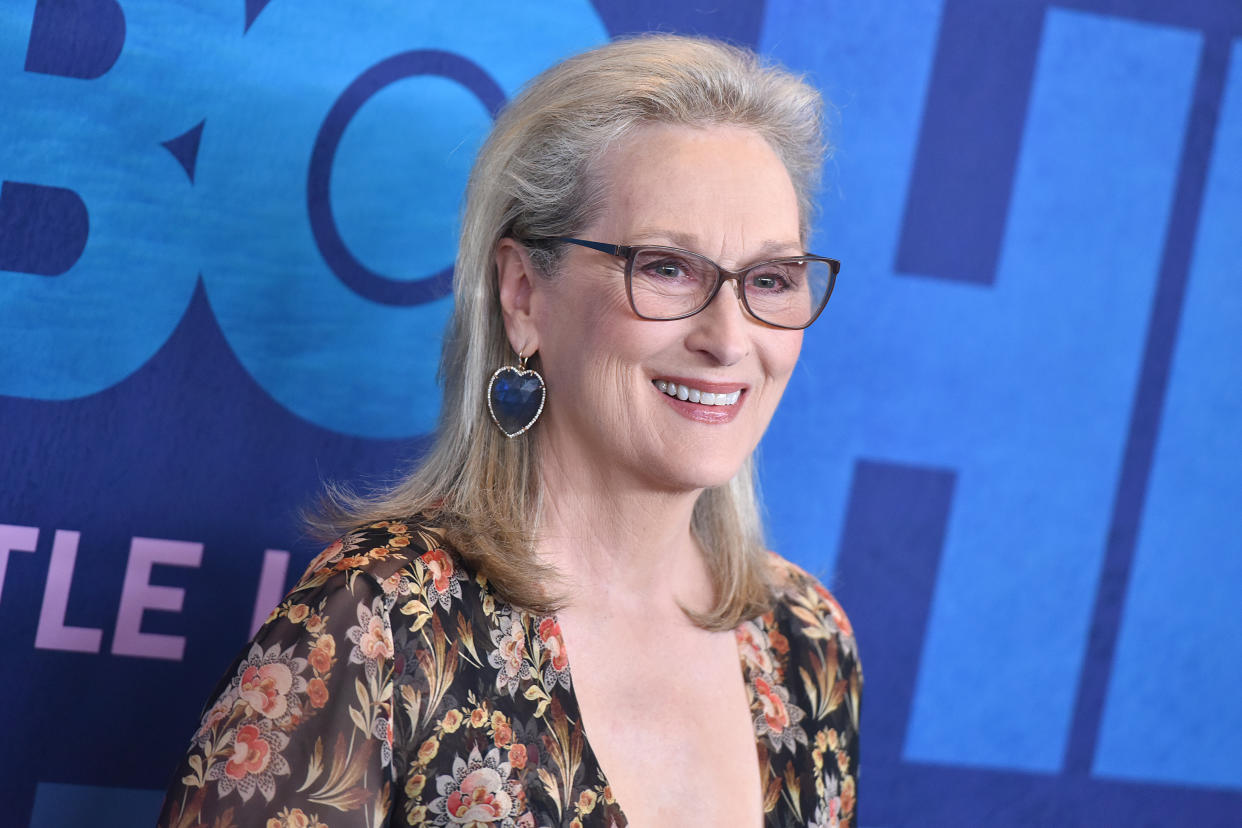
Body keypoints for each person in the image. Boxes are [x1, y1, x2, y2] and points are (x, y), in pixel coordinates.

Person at [157, 34, 860, 828]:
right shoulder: (381, 622)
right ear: (524, 295)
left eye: (771, 280)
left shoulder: (807, 642)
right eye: (666, 267)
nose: (729, 340)